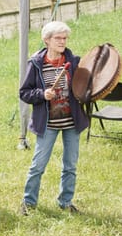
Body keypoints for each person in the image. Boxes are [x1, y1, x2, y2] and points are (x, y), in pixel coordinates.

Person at [18, 21, 89, 215]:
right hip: (47, 123)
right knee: (38, 165)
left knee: (70, 165)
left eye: (65, 38)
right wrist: (42, 94)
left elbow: (85, 89)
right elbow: (24, 92)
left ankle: (65, 202)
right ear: (46, 40)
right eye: (58, 38)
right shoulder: (35, 64)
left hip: (71, 122)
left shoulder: (74, 62)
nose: (62, 41)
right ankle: (28, 202)